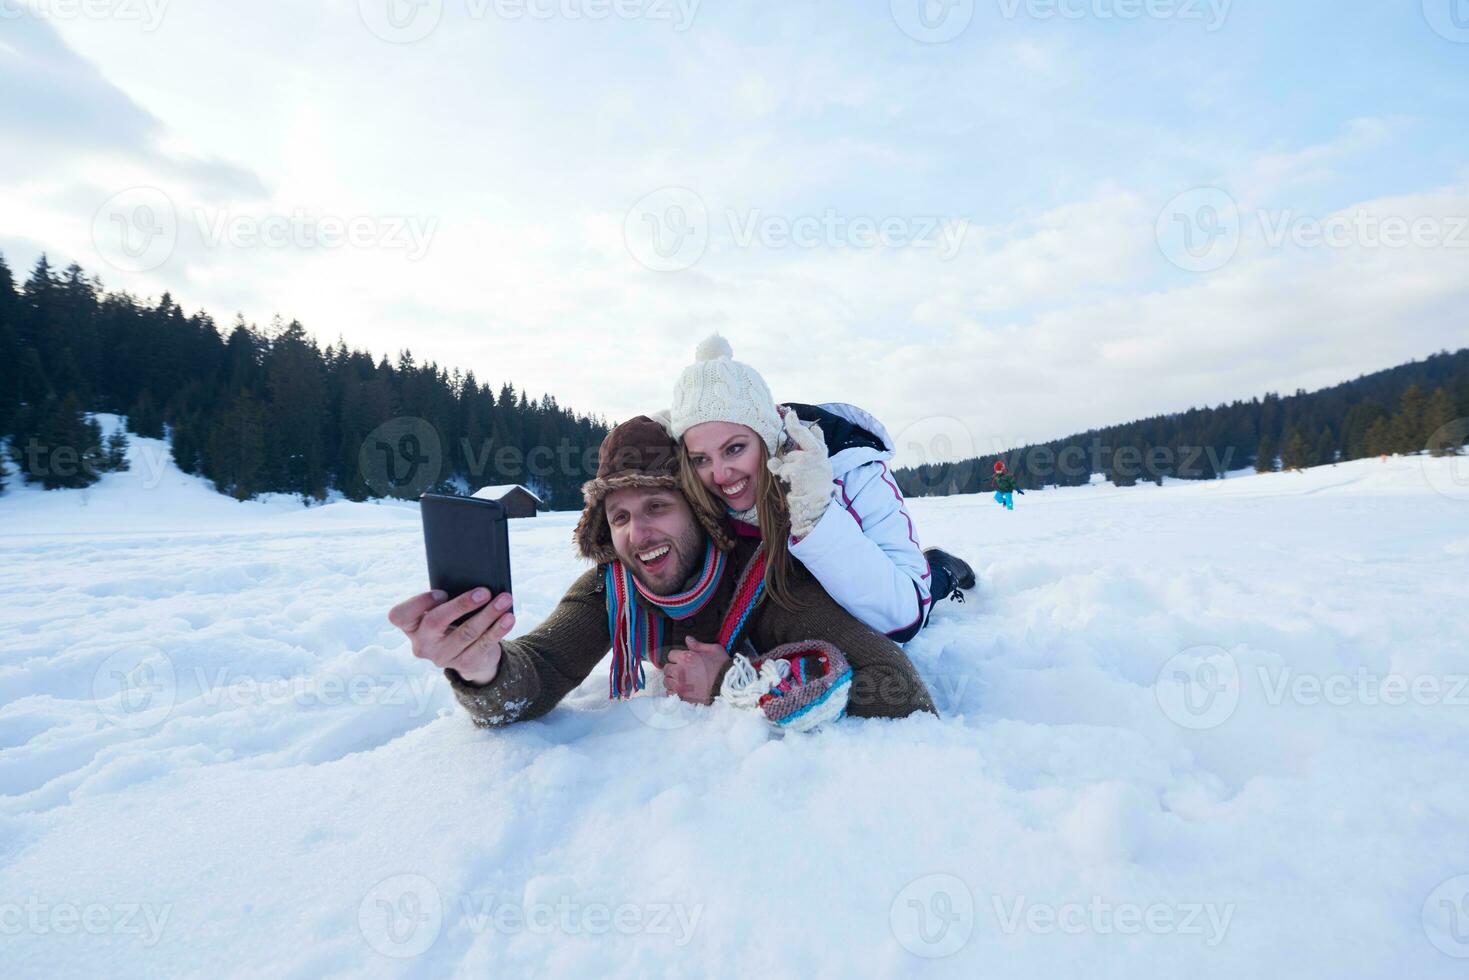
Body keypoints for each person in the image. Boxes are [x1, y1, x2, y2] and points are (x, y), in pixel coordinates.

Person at [388, 415, 936, 731]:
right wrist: (483, 667)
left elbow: (897, 686)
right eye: (619, 517)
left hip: (882, 577)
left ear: (698, 512)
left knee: (936, 577)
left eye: (656, 507)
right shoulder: (614, 586)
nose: (637, 533)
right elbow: (537, 673)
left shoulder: (768, 582)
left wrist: (732, 684)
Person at [666, 335, 975, 643]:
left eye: (734, 449)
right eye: (701, 458)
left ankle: (944, 568)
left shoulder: (852, 470)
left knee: (929, 586)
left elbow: (905, 616)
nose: (719, 474)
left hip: (899, 585)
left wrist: (817, 516)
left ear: (767, 437)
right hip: (812, 604)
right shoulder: (696, 487)